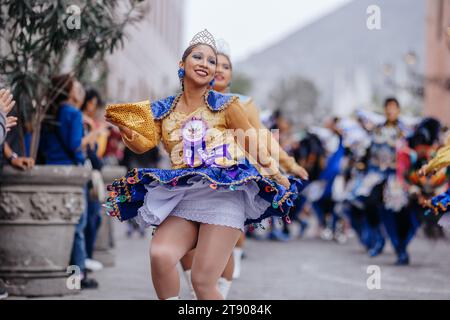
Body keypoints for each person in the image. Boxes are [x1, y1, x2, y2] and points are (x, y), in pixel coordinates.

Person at [105, 30, 305, 300]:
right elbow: (144, 144)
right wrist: (127, 133)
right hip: (183, 193)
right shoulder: (163, 109)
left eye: (211, 61)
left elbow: (253, 142)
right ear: (182, 65)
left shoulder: (228, 105)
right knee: (160, 255)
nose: (205, 64)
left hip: (224, 195)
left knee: (202, 282)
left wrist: (277, 174)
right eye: (197, 57)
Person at [38, 74, 99, 288]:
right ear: (68, 90)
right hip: (71, 176)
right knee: (77, 228)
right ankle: (76, 279)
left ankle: (61, 276)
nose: (79, 87)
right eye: (76, 85)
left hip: (50, 172)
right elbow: (75, 146)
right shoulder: (73, 113)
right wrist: (90, 141)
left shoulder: (49, 113)